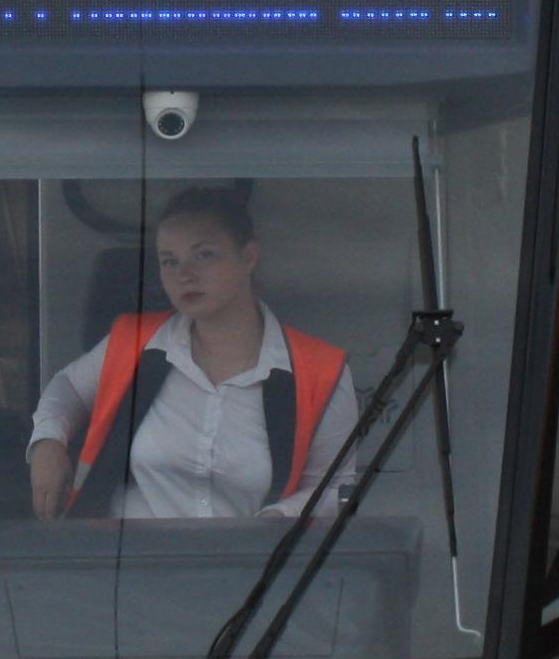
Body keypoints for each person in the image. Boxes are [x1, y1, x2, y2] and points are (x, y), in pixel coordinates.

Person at [26, 186, 356, 522]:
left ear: (248, 258)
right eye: (170, 261)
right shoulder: (132, 340)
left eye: (204, 255)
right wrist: (48, 442)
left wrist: (277, 519)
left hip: (253, 569)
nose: (184, 274)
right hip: (123, 566)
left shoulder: (320, 370)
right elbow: (66, 387)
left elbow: (337, 488)